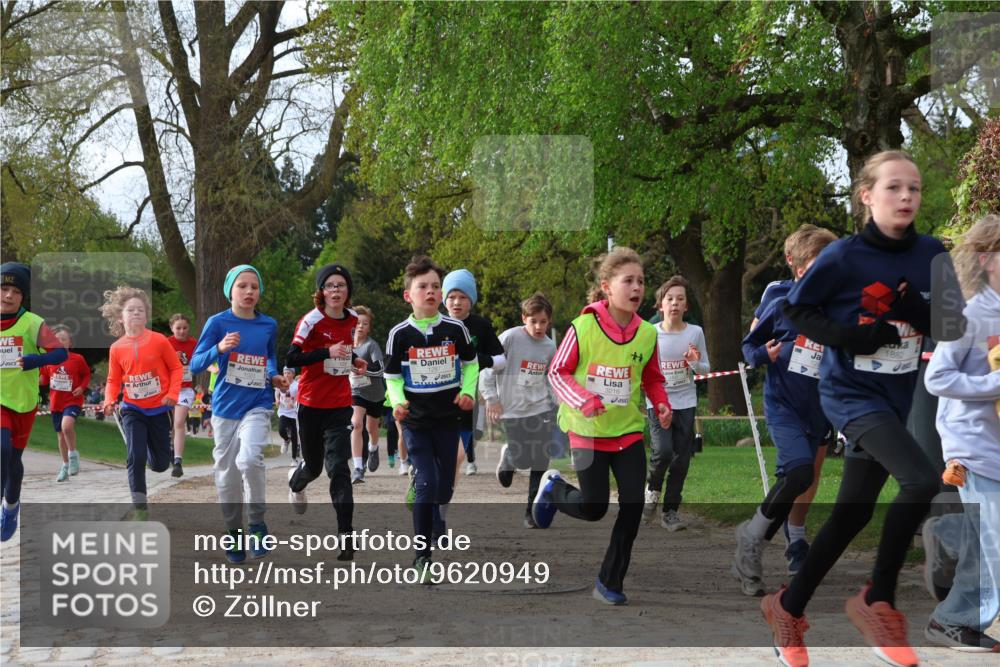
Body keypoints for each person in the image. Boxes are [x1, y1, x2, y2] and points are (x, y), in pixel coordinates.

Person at [761, 150, 945, 667]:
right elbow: (794, 308)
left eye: (914, 188)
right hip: (850, 395)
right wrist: (850, 337)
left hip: (896, 395)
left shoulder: (932, 253)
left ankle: (787, 608)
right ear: (866, 196)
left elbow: (950, 324)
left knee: (853, 513)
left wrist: (915, 310)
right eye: (893, 187)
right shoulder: (842, 257)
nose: (906, 196)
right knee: (922, 481)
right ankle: (877, 600)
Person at [534, 247, 672, 605]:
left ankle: (609, 582)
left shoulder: (647, 334)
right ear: (607, 287)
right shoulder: (584, 327)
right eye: (628, 280)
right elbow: (557, 372)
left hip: (627, 432)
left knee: (631, 507)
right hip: (587, 430)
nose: (637, 287)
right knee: (594, 508)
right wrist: (583, 399)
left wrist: (661, 403)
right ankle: (552, 490)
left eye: (641, 281)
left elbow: (653, 377)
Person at [732, 225, 837, 596]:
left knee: (802, 479)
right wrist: (765, 354)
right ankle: (754, 541)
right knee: (797, 471)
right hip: (783, 404)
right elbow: (749, 347)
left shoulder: (840, 307)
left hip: (821, 408)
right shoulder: (780, 301)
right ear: (798, 267)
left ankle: (752, 539)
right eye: (815, 264)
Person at [921, 214, 1000, 652]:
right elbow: (937, 378)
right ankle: (952, 620)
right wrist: (993, 384)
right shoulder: (969, 314)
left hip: (996, 444)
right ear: (987, 259)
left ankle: (947, 536)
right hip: (971, 443)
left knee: (988, 535)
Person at [384, 256, 479, 582]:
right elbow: (393, 376)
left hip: (447, 419)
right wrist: (397, 402)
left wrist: (468, 391)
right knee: (427, 482)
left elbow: (470, 364)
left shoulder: (456, 329)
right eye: (422, 286)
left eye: (436, 286)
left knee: (445, 487)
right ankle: (422, 558)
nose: (430, 292)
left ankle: (428, 503)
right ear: (408, 295)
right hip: (416, 421)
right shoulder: (399, 335)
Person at [190, 265, 285, 563]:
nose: (248, 292)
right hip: (225, 409)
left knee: (250, 458)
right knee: (227, 475)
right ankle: (234, 531)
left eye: (254, 287)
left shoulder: (268, 324)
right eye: (242, 286)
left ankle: (257, 523)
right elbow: (194, 365)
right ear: (230, 290)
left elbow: (269, 356)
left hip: (257, 403)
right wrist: (219, 347)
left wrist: (274, 375)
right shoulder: (217, 323)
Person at [285, 264, 367, 558]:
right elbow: (293, 356)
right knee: (314, 467)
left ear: (348, 292)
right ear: (321, 291)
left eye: (341, 286)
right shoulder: (311, 321)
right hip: (309, 403)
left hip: (340, 404)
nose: (336, 290)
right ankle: (296, 483)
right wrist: (326, 353)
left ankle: (346, 537)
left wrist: (354, 359)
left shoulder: (353, 318)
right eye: (330, 286)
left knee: (339, 470)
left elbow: (345, 350)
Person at [101, 286, 183, 519]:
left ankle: (151, 451)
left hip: (159, 408)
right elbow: (113, 379)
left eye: (140, 310)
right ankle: (140, 509)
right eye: (130, 310)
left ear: (146, 316)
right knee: (134, 457)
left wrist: (173, 394)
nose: (136, 313)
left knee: (159, 465)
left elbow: (176, 368)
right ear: (121, 317)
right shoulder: (116, 349)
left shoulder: (158, 341)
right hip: (132, 409)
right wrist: (109, 399)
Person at [1, 263, 67, 542]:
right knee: (1, 449)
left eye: (16, 291)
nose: (8, 295)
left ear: (23, 296)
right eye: (4, 288)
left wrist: (33, 361)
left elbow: (60, 353)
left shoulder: (32, 323)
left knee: (13, 460)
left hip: (24, 403)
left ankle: (11, 507)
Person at [481, 293, 558, 528]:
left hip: (541, 408)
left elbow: (551, 377)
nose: (538, 327)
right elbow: (487, 368)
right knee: (524, 458)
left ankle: (531, 513)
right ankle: (510, 458)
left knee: (540, 460)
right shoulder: (510, 338)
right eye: (533, 321)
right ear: (524, 318)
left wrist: (557, 404)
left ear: (549, 322)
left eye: (543, 322)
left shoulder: (549, 346)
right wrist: (491, 399)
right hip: (513, 409)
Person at [642, 275, 710, 531]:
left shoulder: (695, 332)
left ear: (686, 306)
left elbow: (705, 369)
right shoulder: (650, 333)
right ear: (660, 305)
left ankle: (670, 511)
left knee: (682, 460)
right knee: (662, 452)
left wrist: (694, 361)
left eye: (680, 299)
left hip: (686, 401)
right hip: (658, 403)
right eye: (669, 299)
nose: (674, 303)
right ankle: (651, 493)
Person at [442, 269, 506, 477]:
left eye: (462, 297)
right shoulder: (437, 324)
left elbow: (501, 360)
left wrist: (476, 359)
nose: (456, 302)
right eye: (451, 297)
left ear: (472, 300)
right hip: (440, 387)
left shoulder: (481, 325)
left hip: (471, 388)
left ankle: (467, 458)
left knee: (469, 428)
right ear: (444, 300)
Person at [39, 326, 91, 482]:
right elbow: (43, 380)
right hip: (56, 403)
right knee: (61, 436)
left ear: (70, 343)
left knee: (67, 426)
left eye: (64, 339)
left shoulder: (77, 359)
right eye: (57, 340)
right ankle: (65, 466)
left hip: (73, 400)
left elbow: (86, 374)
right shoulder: (48, 360)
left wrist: (81, 388)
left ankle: (73, 455)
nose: (60, 342)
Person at [350, 305, 387, 477]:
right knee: (356, 423)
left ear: (369, 327)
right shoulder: (346, 344)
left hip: (375, 393)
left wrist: (363, 371)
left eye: (365, 324)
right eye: (357, 323)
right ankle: (358, 467)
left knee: (371, 428)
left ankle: (373, 447)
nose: (360, 326)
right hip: (356, 391)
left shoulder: (371, 346)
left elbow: (381, 370)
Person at [166, 313, 197, 477]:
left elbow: (201, 361)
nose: (182, 331)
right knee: (169, 424)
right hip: (168, 389)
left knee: (179, 422)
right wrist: (171, 358)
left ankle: (178, 461)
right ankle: (170, 449)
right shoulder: (166, 343)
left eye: (185, 328)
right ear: (172, 328)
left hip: (185, 389)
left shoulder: (194, 343)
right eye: (178, 328)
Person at [275, 367, 300, 461]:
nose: (286, 375)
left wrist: (293, 403)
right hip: (283, 411)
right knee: (281, 430)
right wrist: (277, 400)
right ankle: (286, 439)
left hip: (293, 412)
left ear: (293, 374)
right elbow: (277, 392)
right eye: (285, 373)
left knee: (294, 436)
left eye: (288, 373)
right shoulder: (281, 382)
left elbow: (299, 396)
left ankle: (294, 459)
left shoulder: (297, 385)